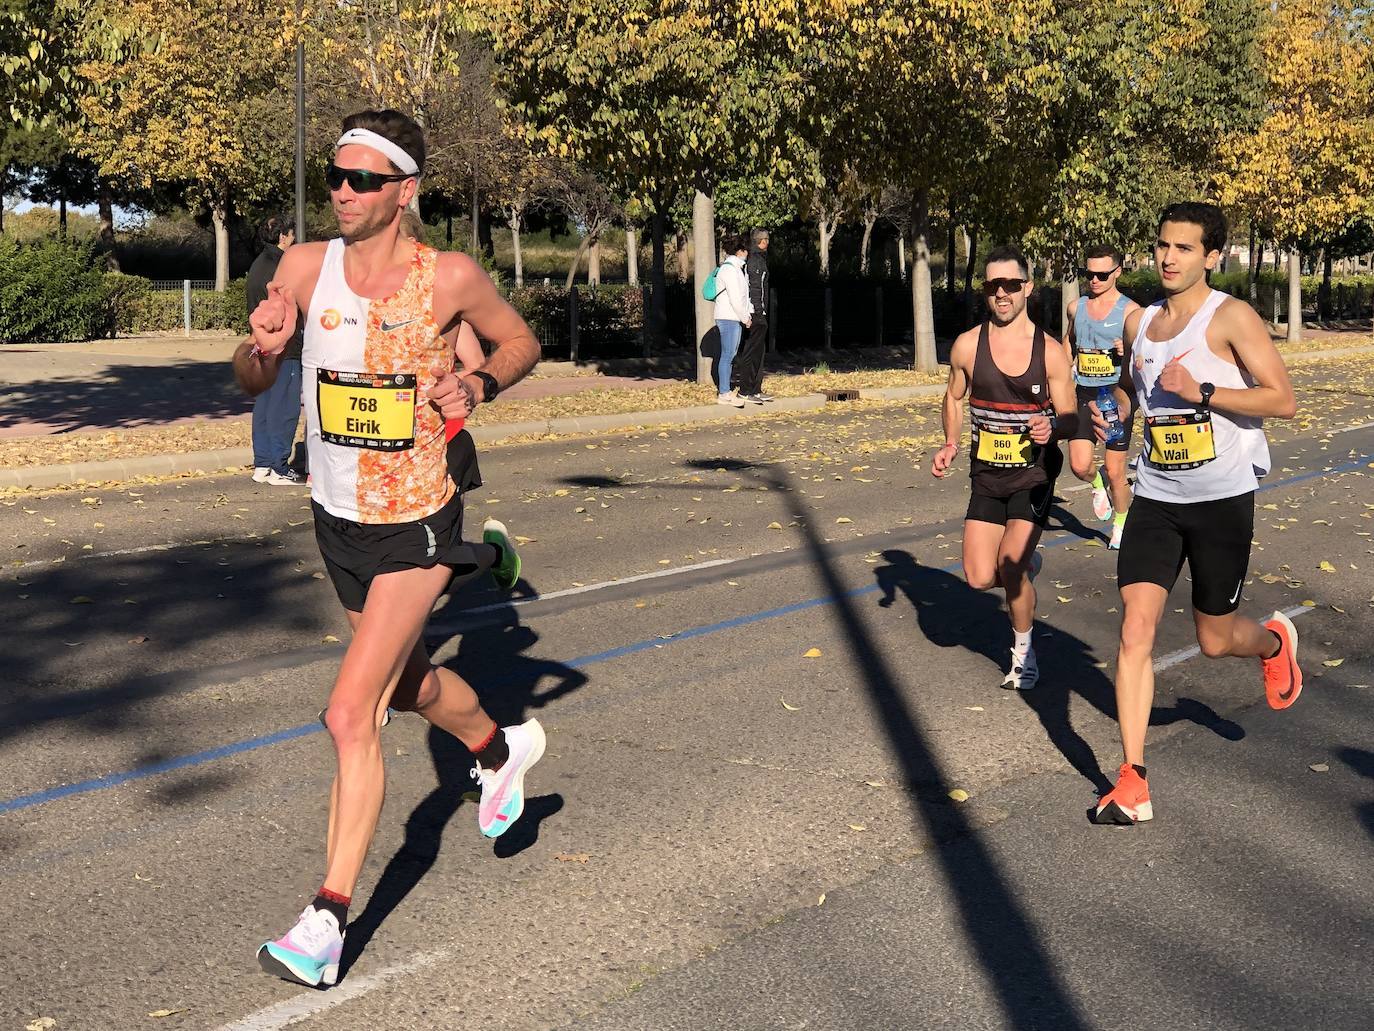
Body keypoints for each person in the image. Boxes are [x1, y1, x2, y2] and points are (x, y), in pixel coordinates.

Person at [233, 109, 543, 988]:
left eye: (363, 180)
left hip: (419, 519)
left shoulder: (446, 276)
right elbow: (250, 374)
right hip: (336, 520)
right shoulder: (302, 267)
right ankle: (496, 749)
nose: (342, 191)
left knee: (348, 712)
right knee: (400, 684)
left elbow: (522, 339)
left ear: (405, 190)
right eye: (335, 175)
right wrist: (260, 353)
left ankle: (326, 920)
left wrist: (478, 378)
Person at [1090, 202, 1302, 826]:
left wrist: (1204, 391)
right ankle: (1132, 781)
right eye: (1162, 245)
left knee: (1214, 639)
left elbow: (1282, 399)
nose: (1168, 258)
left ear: (1212, 256)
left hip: (1221, 500)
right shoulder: (1141, 323)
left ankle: (1272, 642)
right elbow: (1137, 389)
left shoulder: (1229, 317)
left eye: (1184, 248)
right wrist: (1118, 418)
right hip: (1155, 497)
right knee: (1135, 631)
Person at [932, 245, 1077, 690]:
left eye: (1011, 285)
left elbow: (1070, 415)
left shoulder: (1050, 352)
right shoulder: (967, 345)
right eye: (993, 285)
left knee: (1009, 568)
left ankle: (1023, 656)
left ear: (1027, 289)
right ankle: (1025, 570)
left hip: (1033, 474)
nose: (1002, 293)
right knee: (978, 577)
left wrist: (1050, 426)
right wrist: (951, 441)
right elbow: (954, 396)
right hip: (986, 473)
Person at [1065, 245, 1139, 548]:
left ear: (1118, 271)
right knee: (1080, 466)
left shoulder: (1132, 312)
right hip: (1083, 393)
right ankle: (1097, 486)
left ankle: (1121, 523)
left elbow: (1145, 359)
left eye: (1101, 274)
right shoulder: (1075, 307)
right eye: (1088, 273)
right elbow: (1067, 345)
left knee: (1116, 470)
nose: (1093, 280)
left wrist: (1129, 350)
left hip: (1116, 396)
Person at [247, 215, 306, 485]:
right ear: (282, 236)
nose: (294, 239)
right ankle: (279, 466)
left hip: (261, 346)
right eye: (292, 234)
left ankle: (263, 463)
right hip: (284, 348)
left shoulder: (258, 265)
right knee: (285, 406)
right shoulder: (281, 267)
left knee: (265, 404)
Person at [713, 233, 753, 408]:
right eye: (746, 250)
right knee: (728, 355)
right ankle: (723, 392)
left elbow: (743, 296)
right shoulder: (730, 270)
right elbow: (736, 298)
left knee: (730, 355)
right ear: (740, 251)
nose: (747, 253)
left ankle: (726, 391)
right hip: (729, 317)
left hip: (732, 317)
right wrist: (745, 317)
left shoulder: (736, 269)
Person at [734, 228, 772, 404]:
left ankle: (756, 389)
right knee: (751, 352)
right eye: (766, 240)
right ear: (762, 241)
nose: (768, 243)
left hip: (759, 312)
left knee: (760, 353)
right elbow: (756, 288)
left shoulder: (758, 259)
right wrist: (758, 311)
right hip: (755, 313)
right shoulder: (755, 261)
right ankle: (745, 390)